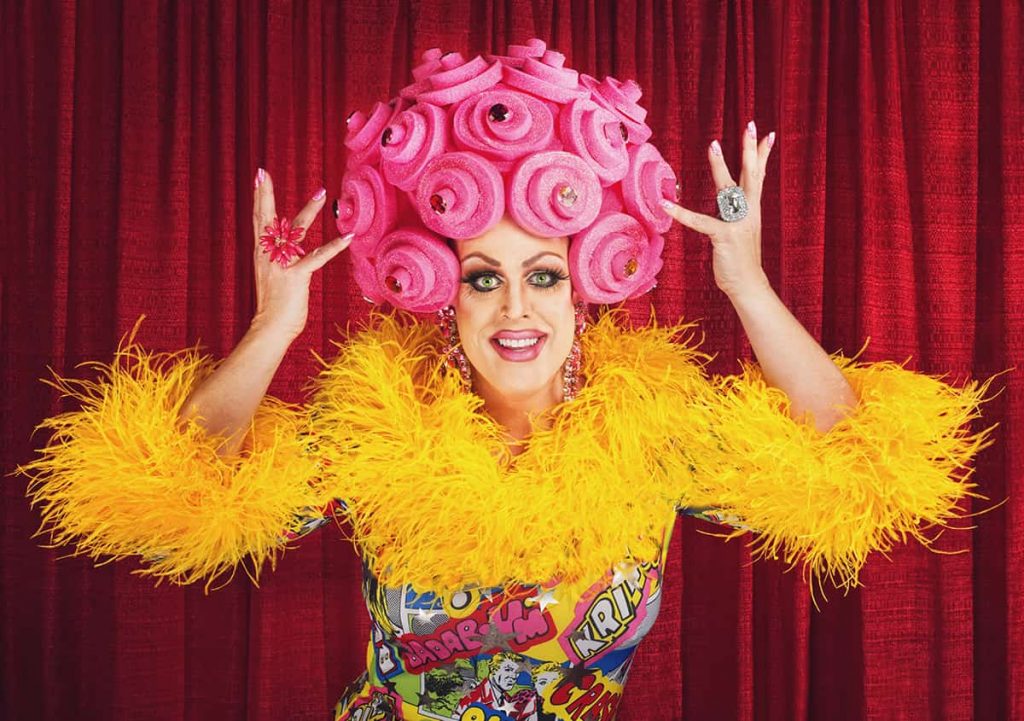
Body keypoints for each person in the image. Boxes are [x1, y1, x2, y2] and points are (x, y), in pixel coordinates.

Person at [18, 38, 995, 721]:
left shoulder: (654, 435)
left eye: (543, 277)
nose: (515, 310)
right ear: (445, 293)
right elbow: (170, 482)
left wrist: (743, 284)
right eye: (482, 278)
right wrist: (277, 325)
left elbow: (860, 456)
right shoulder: (379, 433)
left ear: (586, 294)